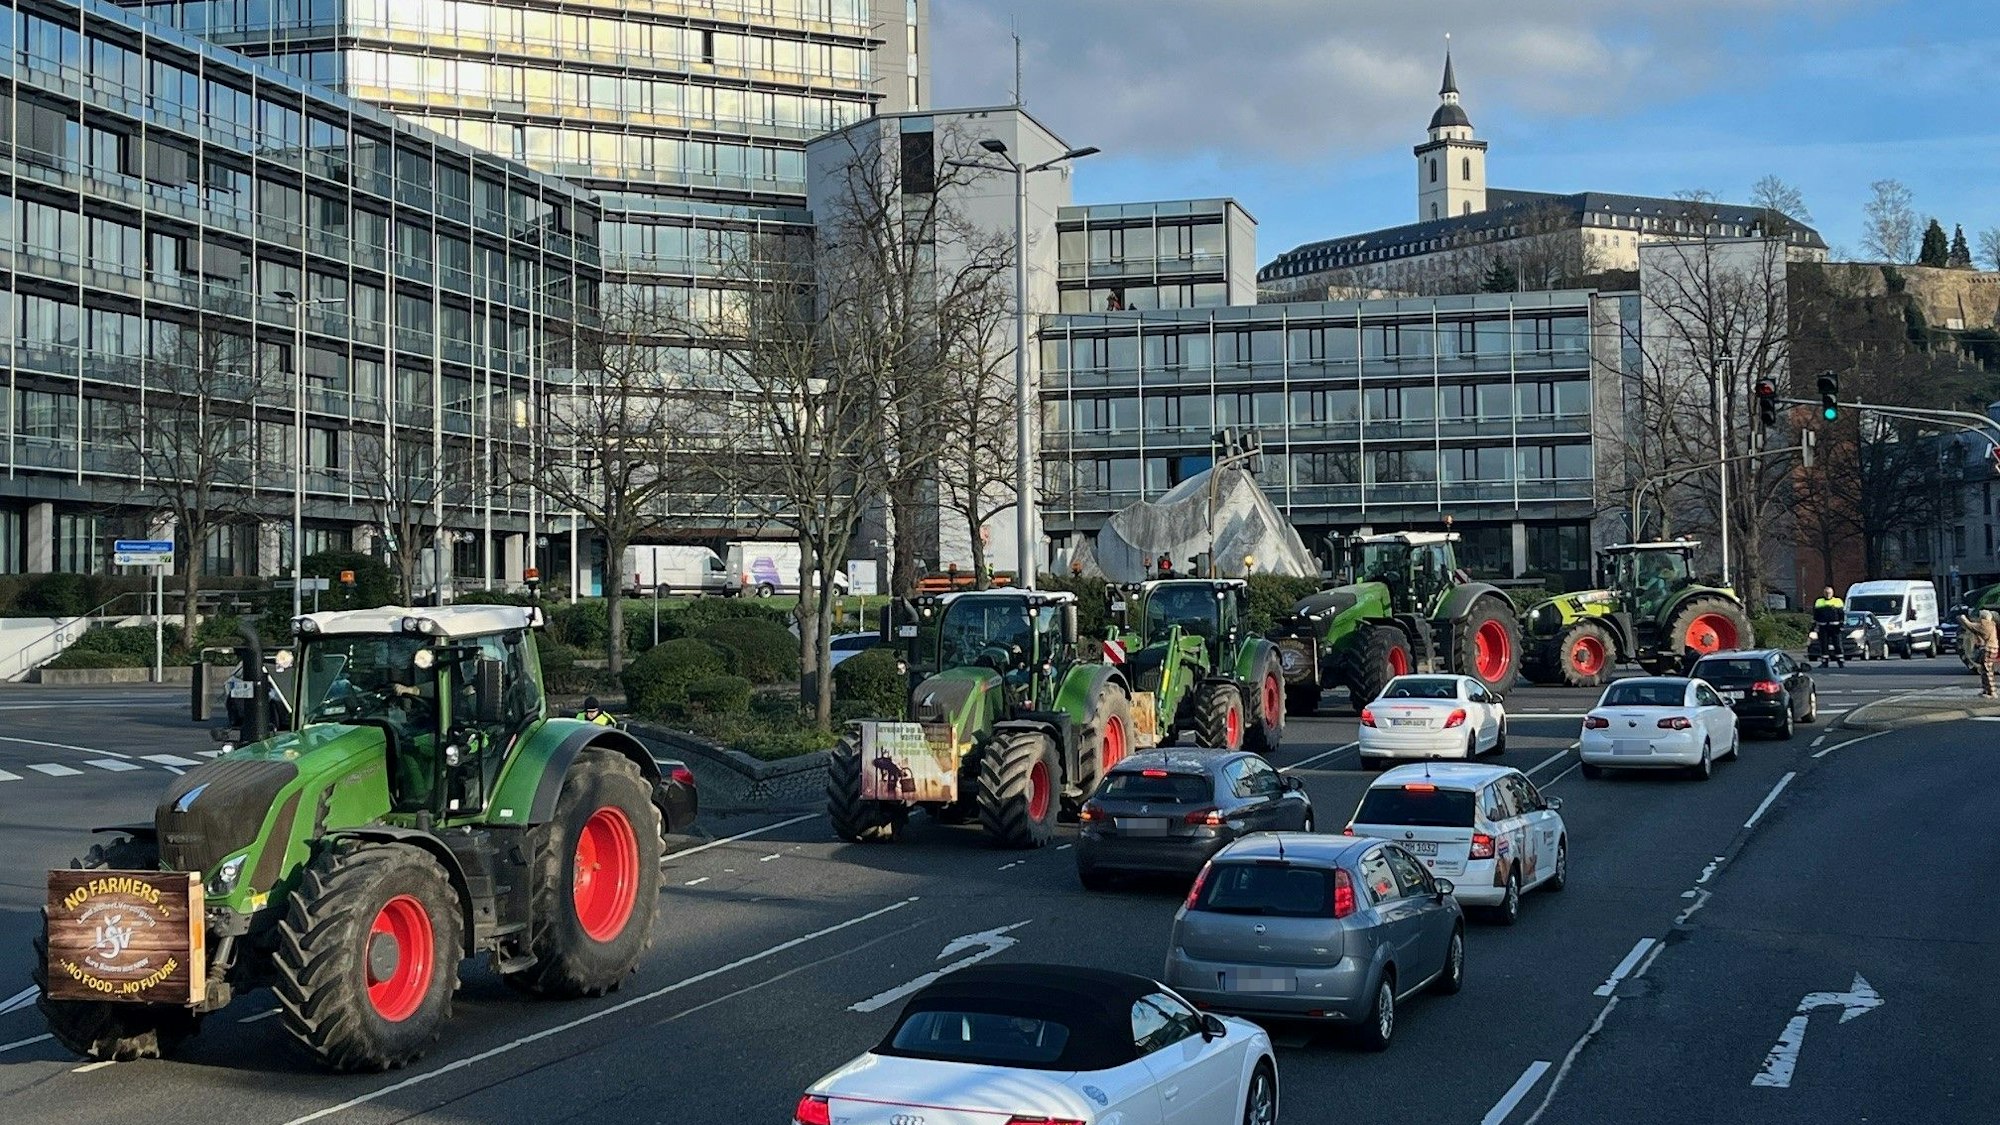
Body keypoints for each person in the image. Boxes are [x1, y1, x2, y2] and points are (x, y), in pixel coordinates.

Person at [1958, 608, 1997, 698]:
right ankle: (1986, 690)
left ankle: (1992, 693)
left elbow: (1970, 626)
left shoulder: (1985, 625)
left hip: (1988, 649)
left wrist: (1963, 618)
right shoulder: (1992, 624)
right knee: (1984, 670)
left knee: (1987, 671)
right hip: (1992, 648)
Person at [1812, 586, 1847, 668]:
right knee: (1824, 645)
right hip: (1823, 627)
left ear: (1832, 593)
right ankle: (1824, 662)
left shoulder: (1838, 601)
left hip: (1835, 627)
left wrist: (1841, 625)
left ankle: (1840, 661)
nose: (1828, 594)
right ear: (1824, 593)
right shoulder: (1819, 601)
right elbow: (1816, 615)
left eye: (1829, 593)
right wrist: (1814, 626)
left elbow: (1841, 615)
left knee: (1837, 644)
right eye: (1826, 593)